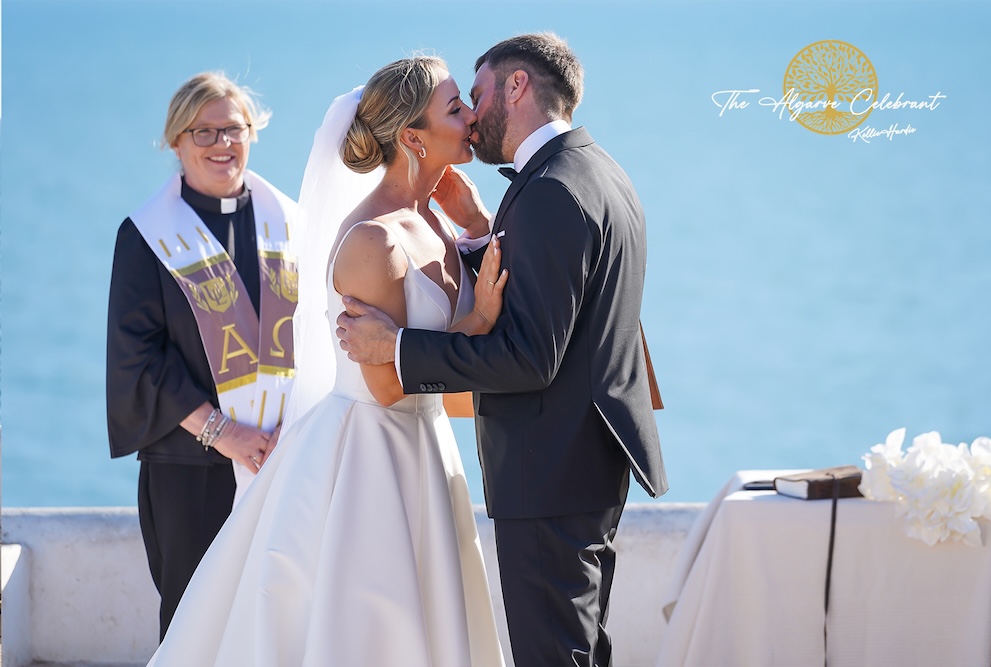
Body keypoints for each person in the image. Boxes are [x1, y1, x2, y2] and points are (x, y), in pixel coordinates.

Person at [144, 56, 508, 666]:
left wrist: (474, 225)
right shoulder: (374, 241)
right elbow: (389, 388)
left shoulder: (434, 223)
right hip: (374, 460)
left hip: (427, 449)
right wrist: (482, 322)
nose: (472, 117)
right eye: (455, 108)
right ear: (413, 137)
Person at [337, 33, 669, 667]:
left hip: (550, 470)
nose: (472, 114)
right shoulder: (596, 170)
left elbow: (528, 356)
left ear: (517, 87)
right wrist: (485, 231)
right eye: (457, 105)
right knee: (579, 650)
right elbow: (555, 300)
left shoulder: (547, 191)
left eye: (476, 94)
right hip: (585, 463)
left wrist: (397, 346)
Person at [106, 71, 296, 639]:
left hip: (277, 458)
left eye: (233, 129)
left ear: (251, 133)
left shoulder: (286, 223)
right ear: (177, 142)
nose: (221, 144)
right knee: (197, 629)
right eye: (204, 132)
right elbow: (137, 359)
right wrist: (222, 432)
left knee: (273, 623)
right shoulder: (146, 236)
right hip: (191, 465)